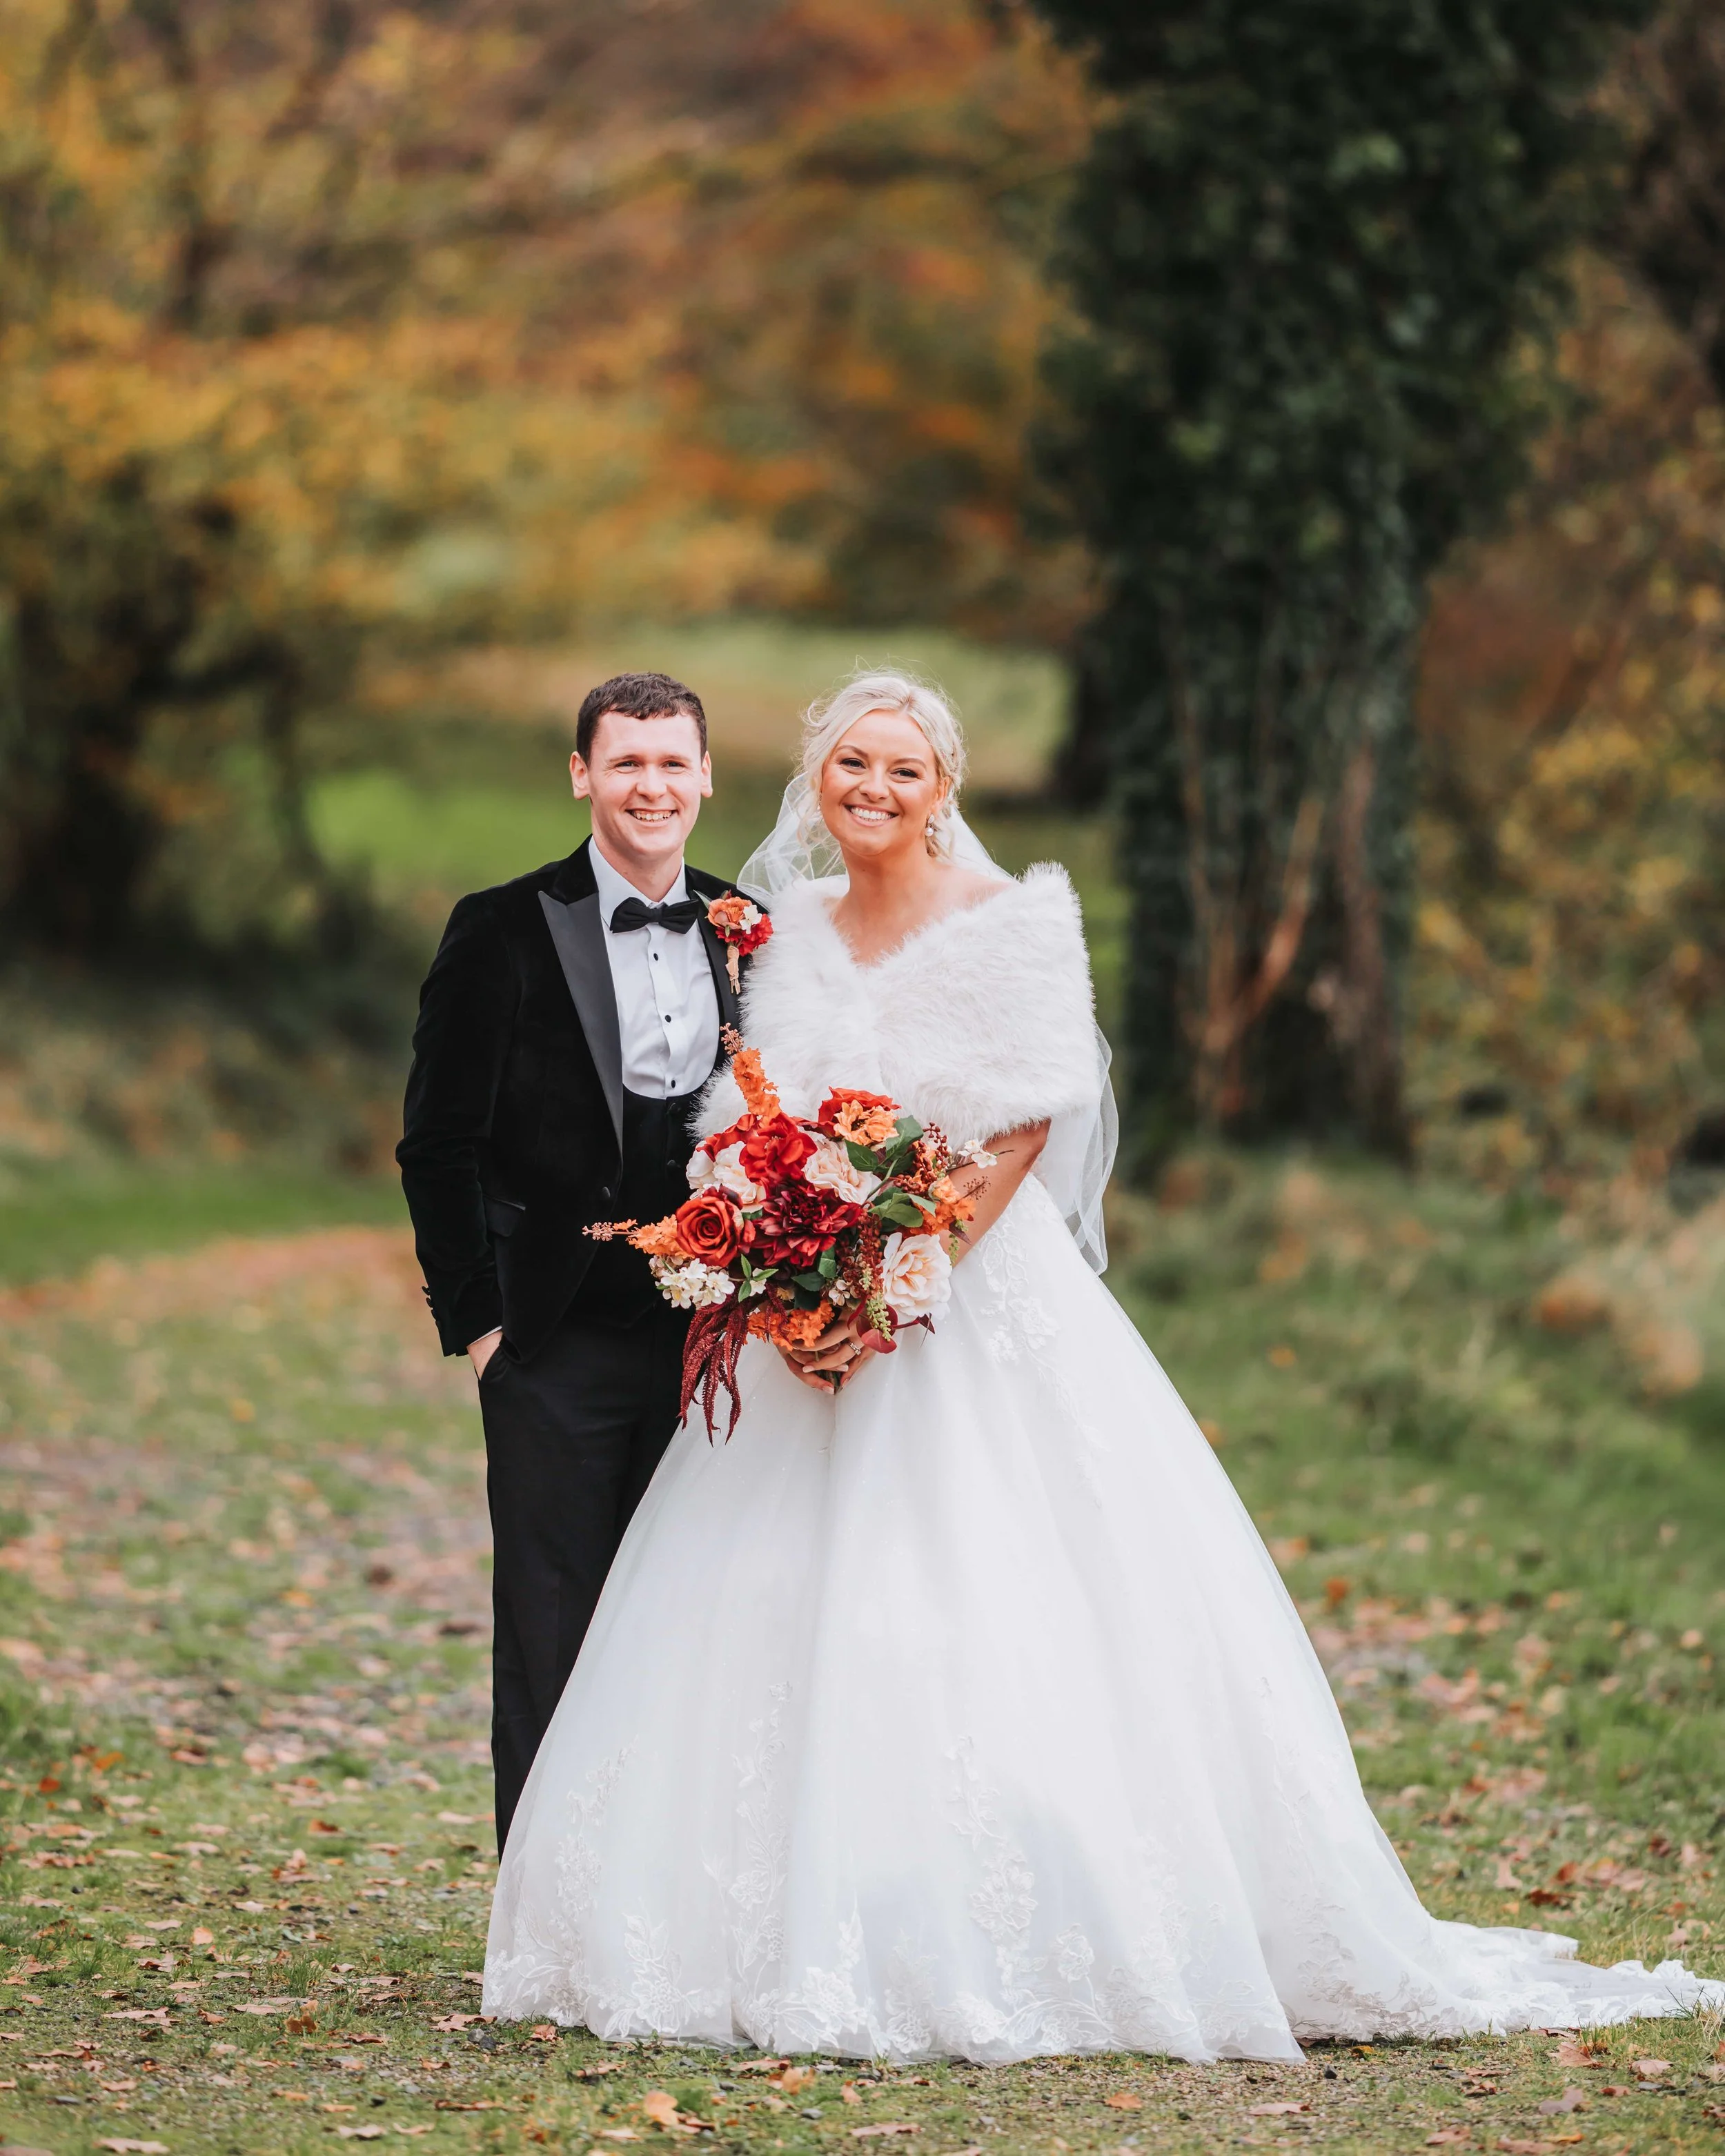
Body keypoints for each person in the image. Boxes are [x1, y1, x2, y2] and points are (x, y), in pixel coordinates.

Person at [482, 669, 1723, 2061]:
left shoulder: (1014, 924)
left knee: (993, 1598)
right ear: (813, 783)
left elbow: (1022, 1124)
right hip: (810, 1322)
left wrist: (898, 1278)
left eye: (899, 767)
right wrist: (790, 1288)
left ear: (941, 784)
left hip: (969, 1294)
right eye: (848, 765)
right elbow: (749, 1114)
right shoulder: (792, 936)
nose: (871, 788)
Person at [397, 671, 764, 1852]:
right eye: (627, 763)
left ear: (705, 776)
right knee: (551, 1624)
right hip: (550, 1333)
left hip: (709, 1339)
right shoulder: (501, 927)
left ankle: (671, 1892)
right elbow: (436, 1141)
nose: (650, 787)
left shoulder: (748, 930)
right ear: (582, 775)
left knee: (695, 1620)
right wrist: (484, 1324)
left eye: (672, 764)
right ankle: (543, 1915)